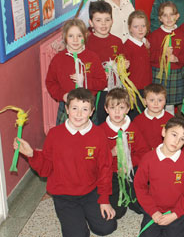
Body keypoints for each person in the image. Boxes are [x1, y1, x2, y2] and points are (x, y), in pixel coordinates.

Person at [13, 88, 117, 236]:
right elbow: (46, 169)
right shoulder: (55, 134)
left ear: (92, 111)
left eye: (84, 109)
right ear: (67, 109)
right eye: (74, 108)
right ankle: (75, 218)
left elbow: (105, 169)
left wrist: (104, 199)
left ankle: (86, 214)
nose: (79, 114)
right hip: (64, 195)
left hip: (90, 191)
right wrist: (31, 154)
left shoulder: (99, 134)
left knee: (107, 228)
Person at [134, 117, 184, 237]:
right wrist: (153, 211)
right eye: (174, 134)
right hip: (153, 209)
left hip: (178, 211)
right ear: (164, 132)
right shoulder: (148, 159)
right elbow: (140, 187)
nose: (177, 141)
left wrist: (175, 214)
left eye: (182, 139)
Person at [45, 19, 106, 125]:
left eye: (79, 36)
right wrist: (62, 95)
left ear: (85, 37)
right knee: (65, 139)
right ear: (65, 38)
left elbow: (102, 82)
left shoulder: (92, 57)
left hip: (88, 106)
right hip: (66, 106)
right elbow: (51, 82)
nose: (75, 40)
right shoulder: (58, 59)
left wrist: (85, 81)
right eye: (71, 36)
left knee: (89, 139)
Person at [100, 88, 148, 219]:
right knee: (117, 212)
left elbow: (144, 152)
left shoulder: (133, 128)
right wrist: (111, 153)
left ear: (127, 109)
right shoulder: (101, 131)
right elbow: (96, 160)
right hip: (112, 173)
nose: (117, 112)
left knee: (141, 207)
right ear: (106, 109)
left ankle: (134, 197)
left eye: (121, 107)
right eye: (112, 107)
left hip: (131, 170)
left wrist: (131, 164)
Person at [86, 0, 125, 124]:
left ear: (112, 21)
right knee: (95, 121)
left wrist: (123, 66)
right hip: (95, 92)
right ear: (91, 22)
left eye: (107, 20)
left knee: (112, 121)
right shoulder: (86, 42)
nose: (103, 24)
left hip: (113, 91)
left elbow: (122, 64)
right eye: (98, 20)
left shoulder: (117, 41)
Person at [150, 1, 184, 111]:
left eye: (171, 14)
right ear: (160, 18)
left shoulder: (182, 35)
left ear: (177, 16)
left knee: (170, 104)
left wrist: (177, 59)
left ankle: (169, 123)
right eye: (165, 15)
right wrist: (163, 55)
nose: (168, 18)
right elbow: (150, 56)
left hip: (175, 74)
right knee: (157, 101)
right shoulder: (154, 35)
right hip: (159, 74)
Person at [123, 10, 152, 119]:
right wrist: (128, 91)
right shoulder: (126, 47)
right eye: (136, 26)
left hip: (147, 88)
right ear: (130, 28)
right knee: (135, 118)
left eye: (143, 26)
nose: (140, 29)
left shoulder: (146, 43)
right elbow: (124, 73)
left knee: (146, 117)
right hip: (134, 90)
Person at [132, 83, 173, 151]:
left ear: (165, 101)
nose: (156, 103)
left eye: (160, 100)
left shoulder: (171, 119)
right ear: (145, 101)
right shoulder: (138, 121)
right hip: (143, 156)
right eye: (152, 100)